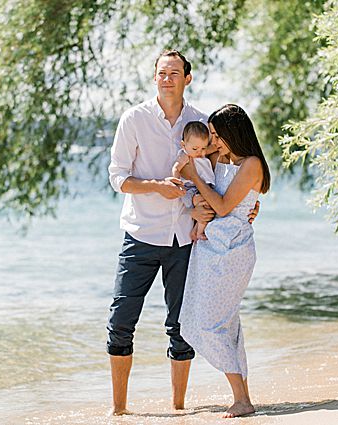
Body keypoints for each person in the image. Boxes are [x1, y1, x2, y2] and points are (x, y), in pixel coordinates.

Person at [105, 49, 211, 416]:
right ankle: (119, 412)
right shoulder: (134, 119)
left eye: (174, 73)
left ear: (187, 78)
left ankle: (178, 410)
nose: (167, 78)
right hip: (140, 235)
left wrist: (242, 206)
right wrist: (156, 186)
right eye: (161, 73)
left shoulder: (201, 122)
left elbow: (218, 174)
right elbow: (117, 177)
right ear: (155, 78)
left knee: (181, 327)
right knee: (120, 323)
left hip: (185, 238)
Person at [179, 103, 271, 418]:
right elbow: (190, 152)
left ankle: (241, 397)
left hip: (233, 250)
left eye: (217, 135)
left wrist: (192, 174)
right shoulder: (222, 158)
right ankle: (243, 397)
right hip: (210, 247)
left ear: (234, 133)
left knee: (210, 325)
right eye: (212, 135)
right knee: (224, 324)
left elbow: (221, 206)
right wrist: (190, 188)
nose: (213, 141)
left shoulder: (251, 164)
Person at [172, 121, 218, 242]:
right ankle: (199, 232)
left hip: (204, 187)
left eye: (203, 148)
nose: (200, 152)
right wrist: (177, 185)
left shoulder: (198, 152)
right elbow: (176, 168)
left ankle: (196, 230)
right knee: (204, 205)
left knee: (209, 207)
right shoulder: (185, 156)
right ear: (183, 145)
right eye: (195, 148)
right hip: (191, 189)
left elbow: (211, 149)